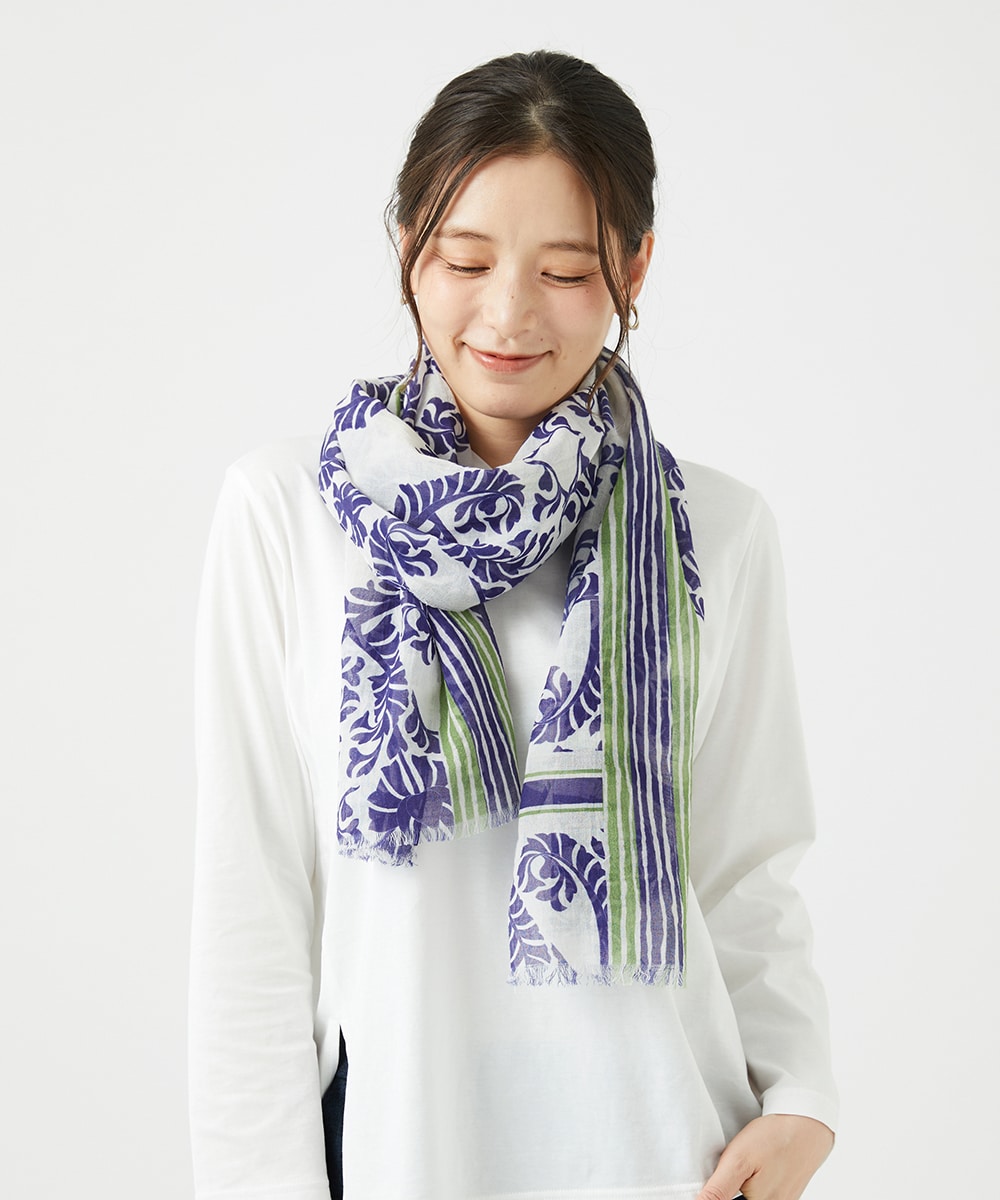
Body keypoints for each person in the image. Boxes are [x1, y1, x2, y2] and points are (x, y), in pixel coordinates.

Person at [189, 49, 837, 1200]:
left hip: (667, 1152)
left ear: (633, 267)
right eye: (465, 260)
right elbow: (255, 903)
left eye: (566, 270)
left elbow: (745, 872)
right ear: (409, 250)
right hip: (408, 1144)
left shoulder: (716, 532)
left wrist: (799, 1099)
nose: (507, 314)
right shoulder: (286, 516)